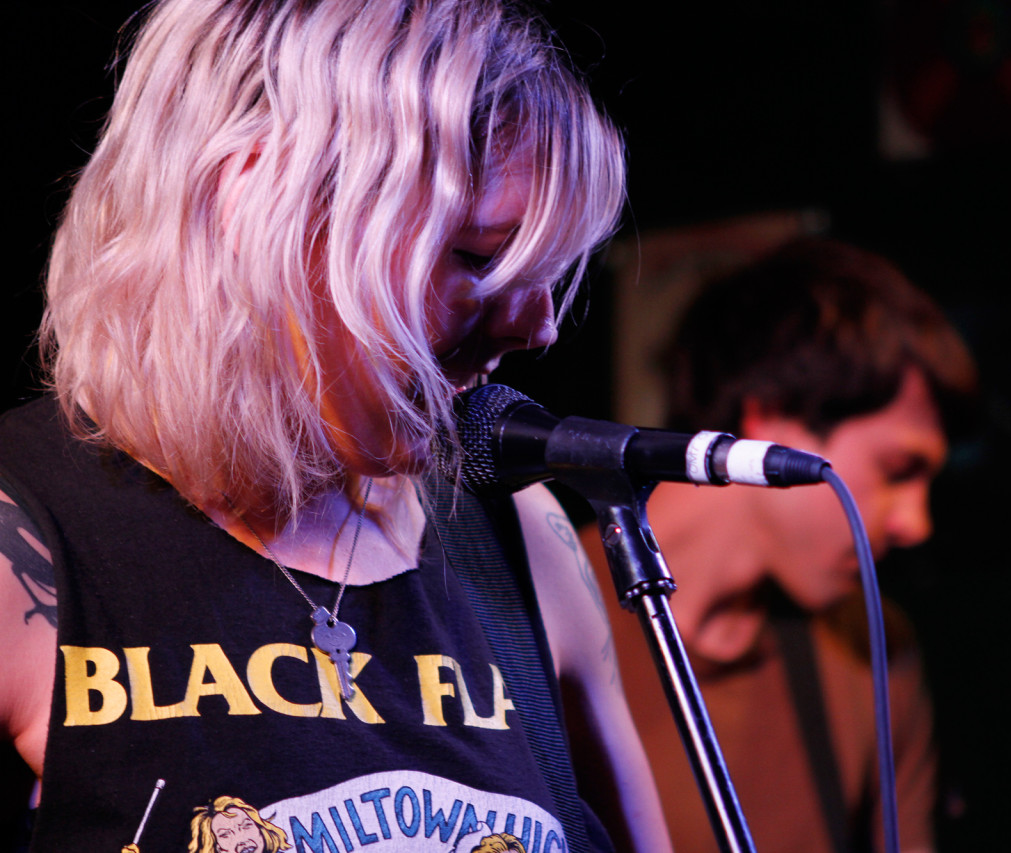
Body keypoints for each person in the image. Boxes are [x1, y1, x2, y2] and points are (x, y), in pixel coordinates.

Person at [0, 1, 671, 852]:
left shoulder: (520, 537)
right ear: (250, 206)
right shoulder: (23, 539)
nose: (536, 326)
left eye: (546, 273)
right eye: (474, 256)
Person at [580, 237, 978, 853]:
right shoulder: (534, 602)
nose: (915, 524)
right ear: (772, 418)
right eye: (898, 470)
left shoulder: (871, 645)